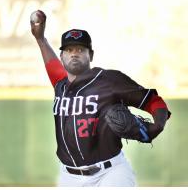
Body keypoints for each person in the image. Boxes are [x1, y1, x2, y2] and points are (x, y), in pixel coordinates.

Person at [30, 10, 171, 187]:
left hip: (110, 173)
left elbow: (153, 101)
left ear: (91, 55)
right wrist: (40, 39)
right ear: (62, 57)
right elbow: (51, 65)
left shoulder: (110, 80)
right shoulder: (60, 84)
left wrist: (158, 125)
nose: (74, 54)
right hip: (69, 178)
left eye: (80, 49)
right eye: (69, 50)